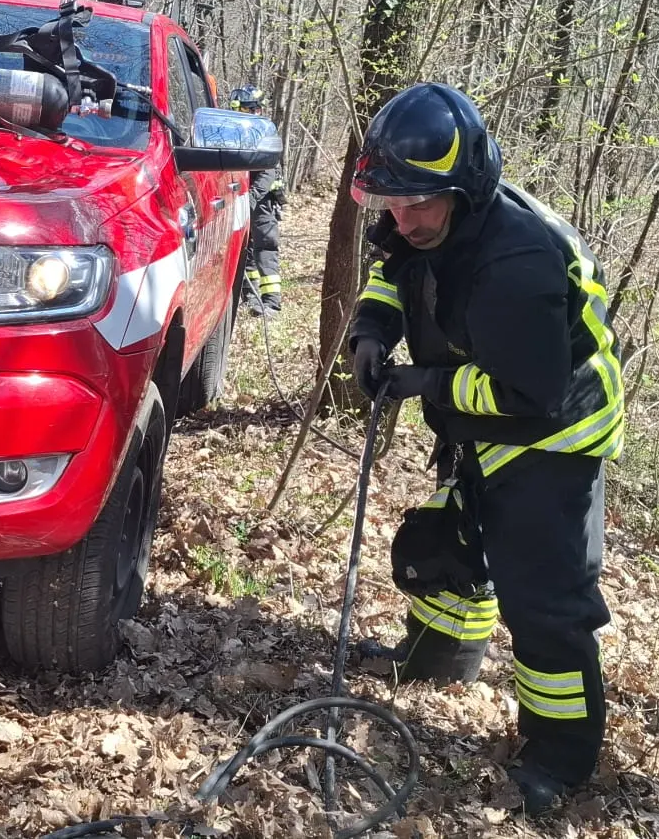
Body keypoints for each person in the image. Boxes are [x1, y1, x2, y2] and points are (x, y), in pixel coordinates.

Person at [346, 82, 623, 816]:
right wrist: (371, 333)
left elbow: (528, 394)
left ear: (463, 191)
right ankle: (439, 660)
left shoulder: (519, 262)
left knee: (545, 604)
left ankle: (559, 756)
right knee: (450, 537)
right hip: (482, 420)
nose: (400, 221)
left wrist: (425, 382)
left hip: (553, 434)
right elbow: (391, 274)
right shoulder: (422, 220)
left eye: (416, 205)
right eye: (390, 204)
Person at [229, 86, 284, 314]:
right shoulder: (233, 133)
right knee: (246, 248)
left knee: (265, 247)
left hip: (261, 202)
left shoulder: (265, 134)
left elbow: (267, 173)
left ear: (256, 110)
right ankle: (249, 294)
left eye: (245, 109)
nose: (242, 115)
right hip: (241, 199)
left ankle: (271, 301)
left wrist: (249, 199)